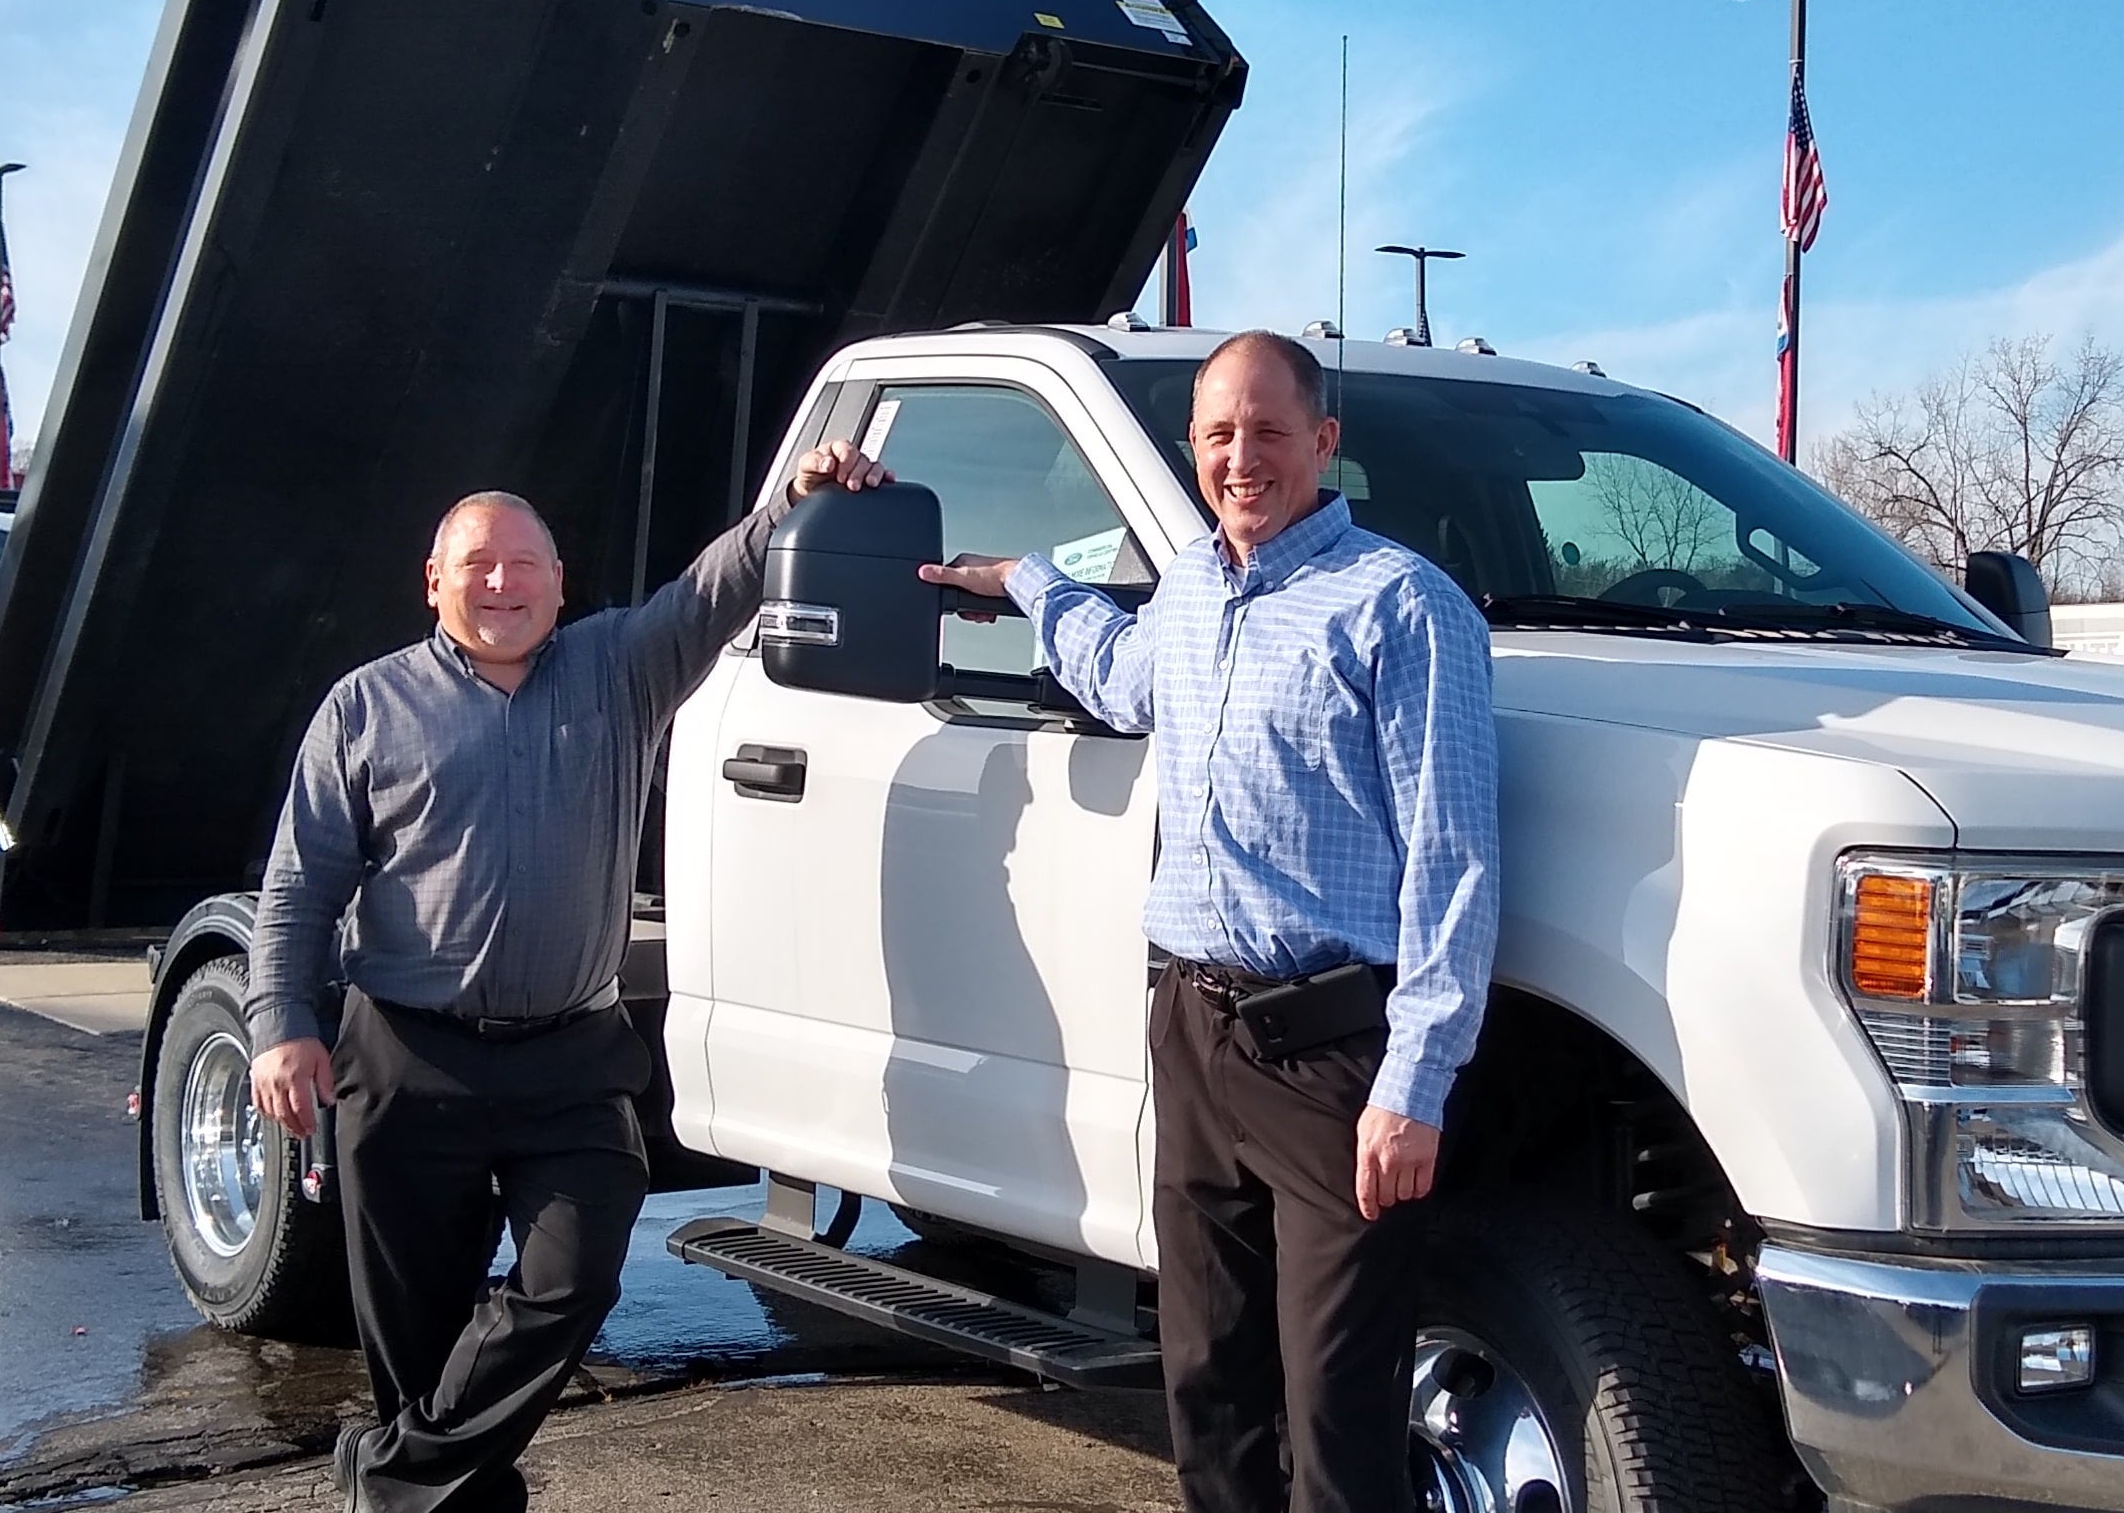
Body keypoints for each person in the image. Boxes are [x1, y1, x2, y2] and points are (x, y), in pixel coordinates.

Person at [247, 444, 890, 1513]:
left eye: (524, 564)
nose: (502, 583)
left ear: (558, 579)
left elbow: (712, 588)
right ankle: (436, 1489)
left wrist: (792, 503)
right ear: (434, 581)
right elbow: (300, 883)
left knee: (574, 1278)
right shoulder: (365, 707)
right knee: (418, 1343)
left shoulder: (621, 668)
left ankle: (390, 1476)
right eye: (478, 564)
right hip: (407, 1059)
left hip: (571, 1062)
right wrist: (282, 1019)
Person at [928, 330, 1499, 1513]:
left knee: (1336, 1411)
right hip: (1191, 1026)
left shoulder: (1401, 605)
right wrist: (1029, 581)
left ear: (1323, 442)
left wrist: (1414, 1081)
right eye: (1220, 434)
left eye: (1269, 431)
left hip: (1331, 1059)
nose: (1243, 458)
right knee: (1206, 1380)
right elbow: (1122, 675)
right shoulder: (1192, 585)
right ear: (1193, 445)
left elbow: (1452, 860)